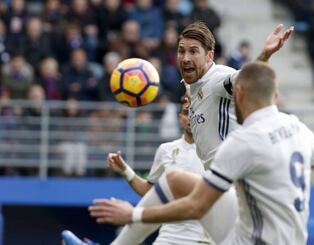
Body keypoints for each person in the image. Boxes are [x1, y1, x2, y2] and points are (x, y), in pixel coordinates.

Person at [63, 21, 293, 244]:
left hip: (234, 190)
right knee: (174, 184)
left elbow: (244, 78)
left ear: (209, 56)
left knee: (175, 181)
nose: (185, 58)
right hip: (225, 191)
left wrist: (264, 55)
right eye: (181, 51)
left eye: (194, 51)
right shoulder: (195, 88)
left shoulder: (217, 78)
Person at [89, 62, 314, 244]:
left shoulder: (243, 142)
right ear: (275, 95)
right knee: (175, 179)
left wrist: (132, 214)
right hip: (282, 238)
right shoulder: (296, 127)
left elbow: (195, 207)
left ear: (239, 94)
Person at [63, 96, 213, 244]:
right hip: (169, 234)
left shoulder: (215, 149)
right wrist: (125, 171)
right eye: (187, 112)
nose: (192, 116)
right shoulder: (166, 150)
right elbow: (152, 193)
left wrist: (133, 214)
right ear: (180, 117)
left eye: (196, 111)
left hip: (200, 237)